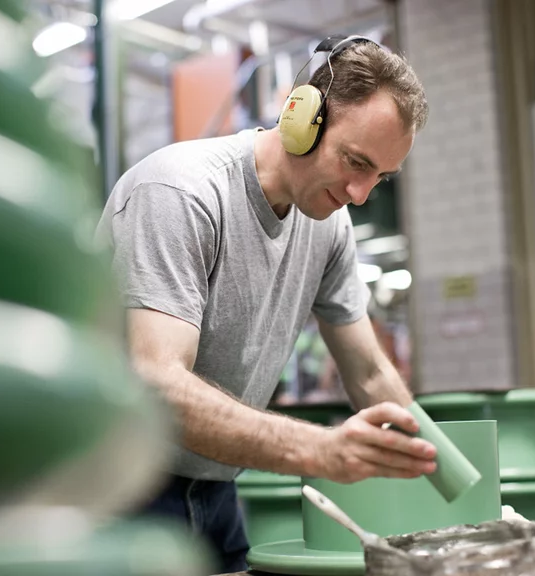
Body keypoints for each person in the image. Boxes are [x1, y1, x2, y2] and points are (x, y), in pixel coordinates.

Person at [96, 35, 435, 573]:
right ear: (302, 116)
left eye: (380, 176)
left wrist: (442, 471)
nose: (361, 193)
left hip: (216, 492)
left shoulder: (330, 228)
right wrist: (320, 450)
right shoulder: (182, 192)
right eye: (355, 161)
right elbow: (156, 382)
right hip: (113, 493)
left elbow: (370, 373)